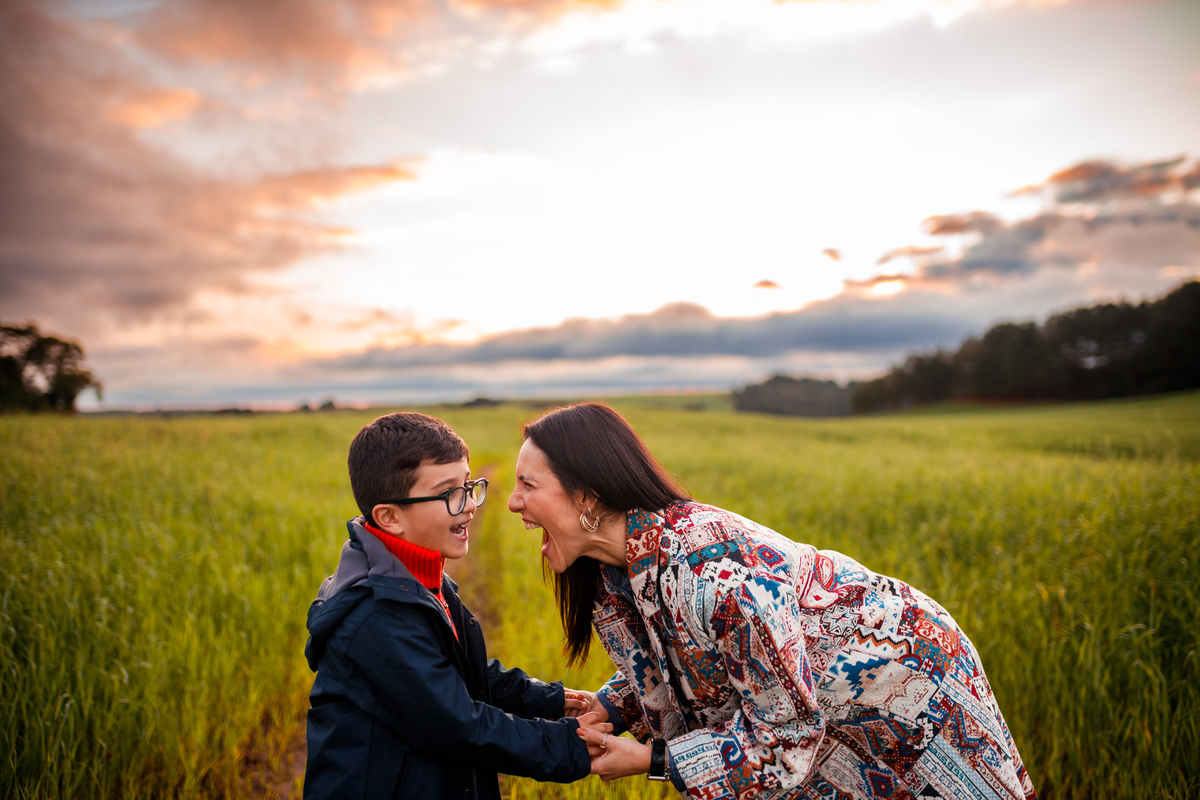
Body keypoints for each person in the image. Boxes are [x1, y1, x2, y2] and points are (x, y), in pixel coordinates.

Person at [507, 402, 1038, 800]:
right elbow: (691, 658)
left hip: (911, 693)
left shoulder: (716, 576)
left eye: (528, 485)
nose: (513, 503)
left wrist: (653, 759)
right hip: (823, 706)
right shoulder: (613, 573)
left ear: (588, 495)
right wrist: (610, 705)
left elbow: (786, 740)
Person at [304, 411, 609, 800]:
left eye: (467, 485)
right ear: (390, 517)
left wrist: (547, 700)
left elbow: (456, 673)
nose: (469, 505)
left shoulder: (419, 579)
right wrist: (574, 744)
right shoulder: (374, 615)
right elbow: (461, 726)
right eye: (449, 493)